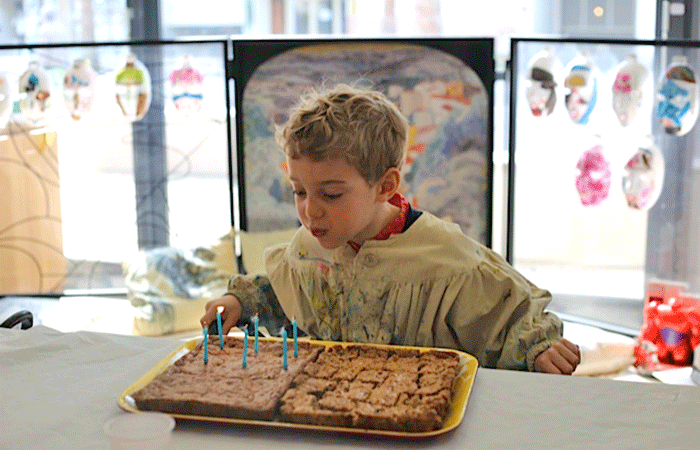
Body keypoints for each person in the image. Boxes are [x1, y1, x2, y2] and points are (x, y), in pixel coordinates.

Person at [201, 83, 580, 374]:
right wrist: (240, 302)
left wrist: (538, 346)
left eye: (330, 195)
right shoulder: (308, 244)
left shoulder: (444, 254)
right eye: (299, 191)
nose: (309, 211)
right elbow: (287, 294)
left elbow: (507, 311)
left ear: (385, 186)